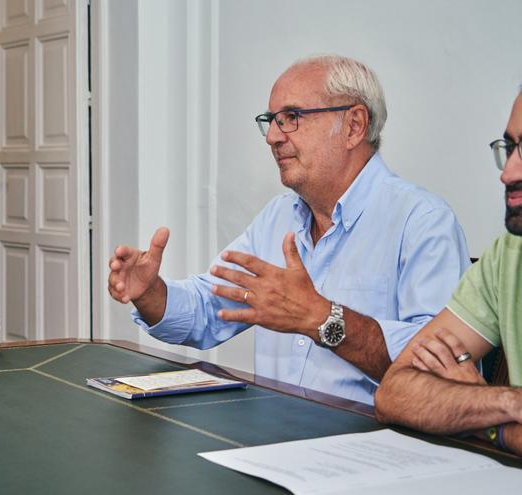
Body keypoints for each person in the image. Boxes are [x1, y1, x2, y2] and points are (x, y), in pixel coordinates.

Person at [108, 55, 470, 405]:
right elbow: (209, 311)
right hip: (270, 441)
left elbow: (443, 372)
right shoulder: (278, 217)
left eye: (292, 117)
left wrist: (322, 318)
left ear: (354, 126)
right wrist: (152, 293)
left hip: (373, 452)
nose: (272, 137)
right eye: (271, 120)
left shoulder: (422, 221)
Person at [374, 87, 522, 455]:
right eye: (510, 149)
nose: (508, 174)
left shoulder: (422, 216)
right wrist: (501, 403)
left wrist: (476, 412)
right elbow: (394, 393)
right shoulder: (510, 251)